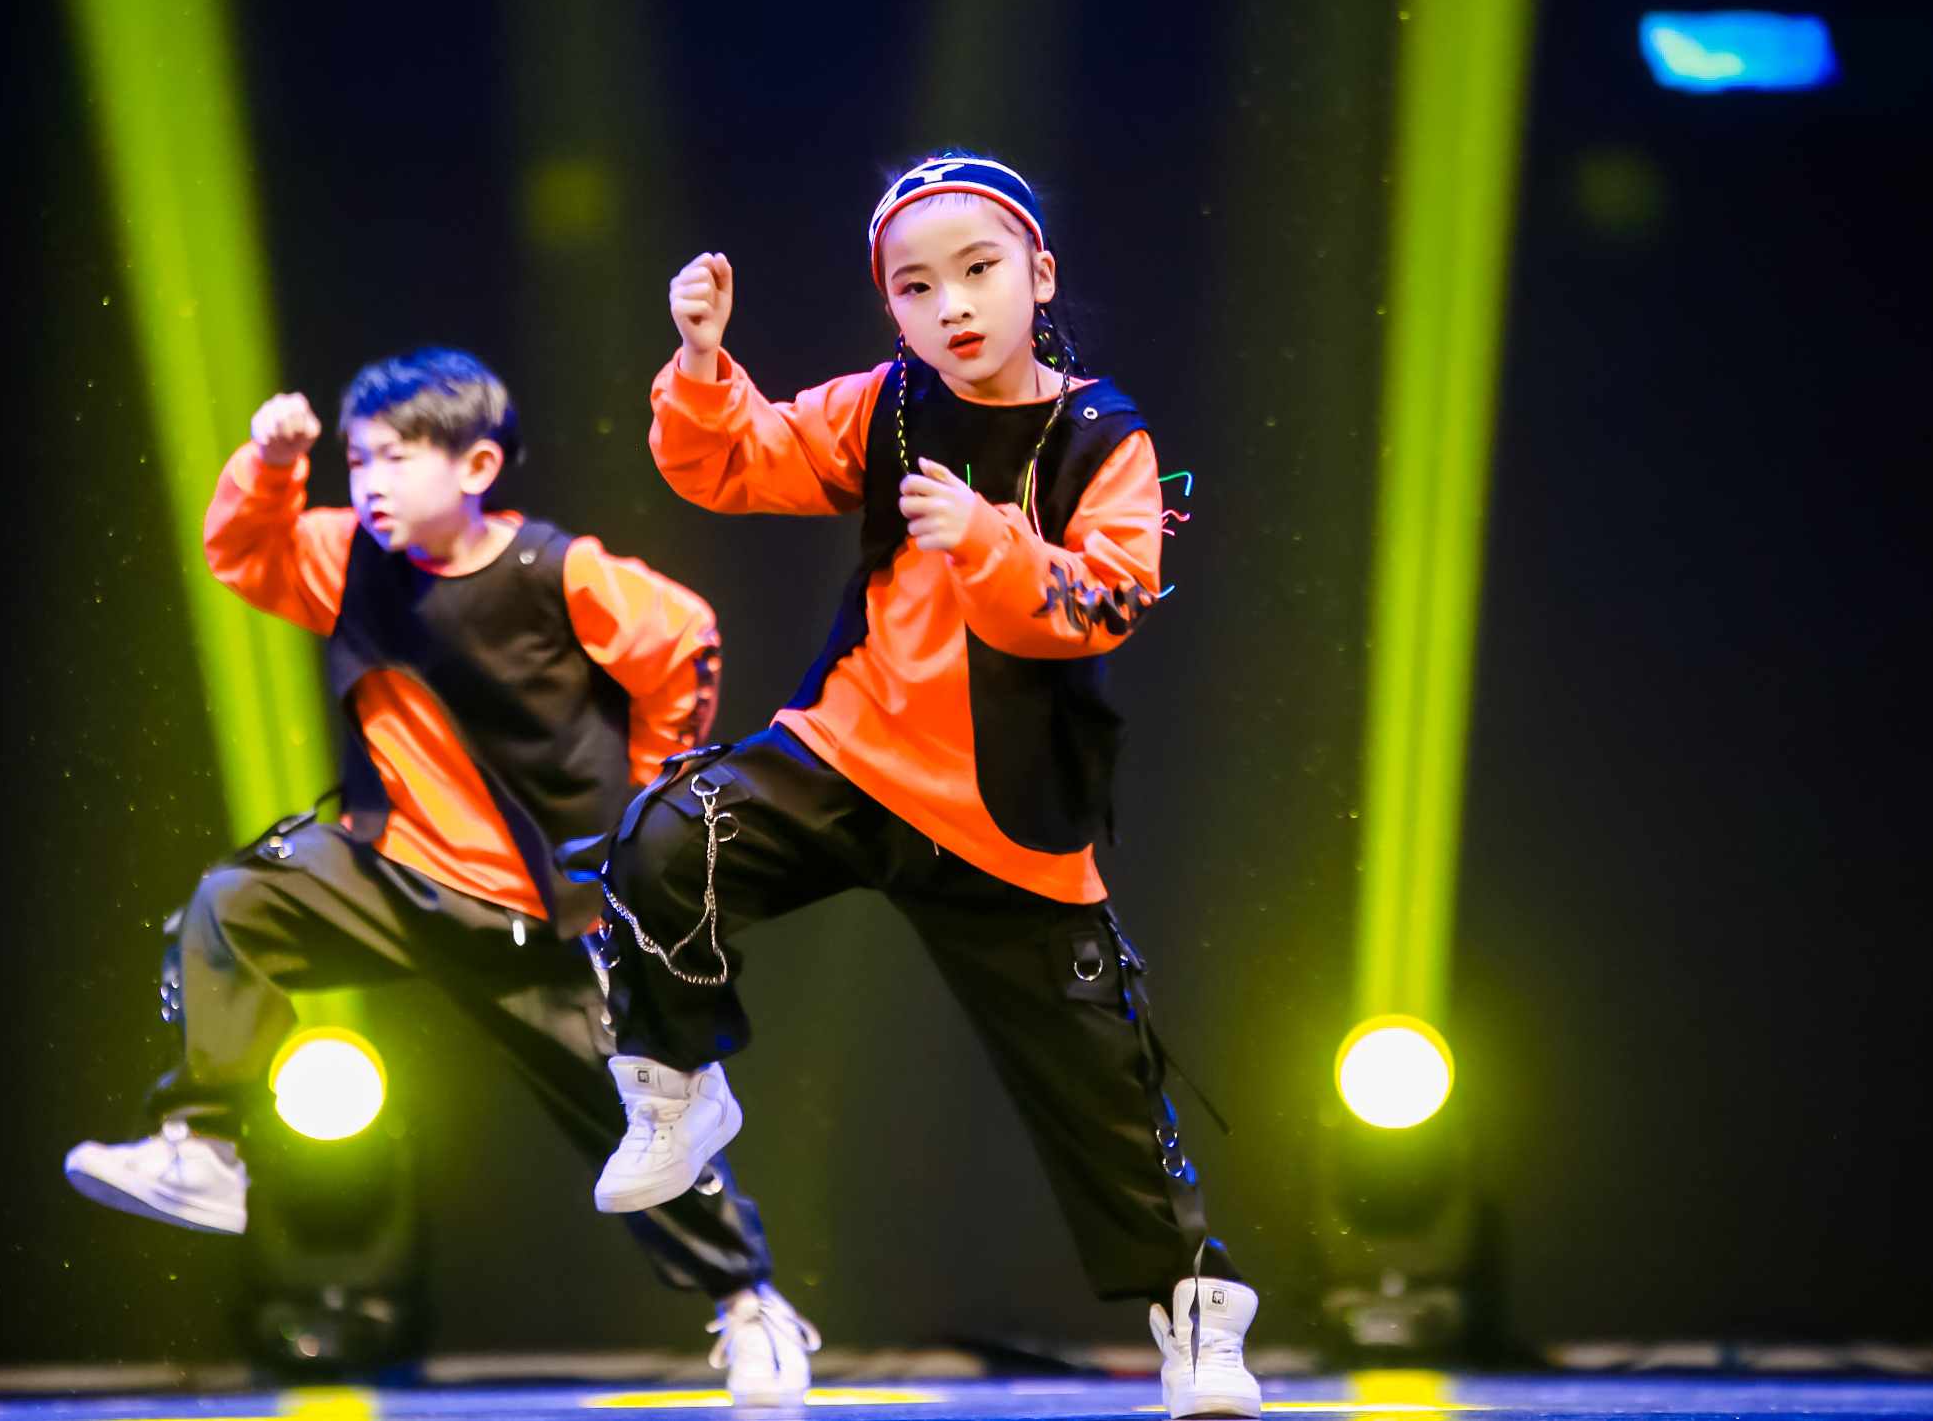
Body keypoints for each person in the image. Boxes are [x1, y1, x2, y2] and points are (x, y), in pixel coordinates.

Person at [590, 155, 1262, 1419]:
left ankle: (1195, 1313)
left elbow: (1108, 599)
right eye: (915, 285)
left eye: (977, 270)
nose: (949, 304)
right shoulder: (888, 403)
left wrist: (987, 537)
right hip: (850, 756)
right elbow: (743, 458)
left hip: (1004, 817)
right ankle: (677, 1086)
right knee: (667, 843)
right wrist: (701, 361)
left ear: (1037, 276)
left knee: (1101, 1094)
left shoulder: (1103, 433)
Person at [61, 348, 820, 1402]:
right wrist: (272, 466)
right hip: (388, 871)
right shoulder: (346, 556)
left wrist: (646, 802)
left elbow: (682, 637)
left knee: (639, 1127)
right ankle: (203, 1146)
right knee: (231, 905)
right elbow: (245, 553)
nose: (369, 481)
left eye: (396, 458)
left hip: (533, 912)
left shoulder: (558, 572)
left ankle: (747, 1301)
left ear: (475, 466)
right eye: (359, 458)